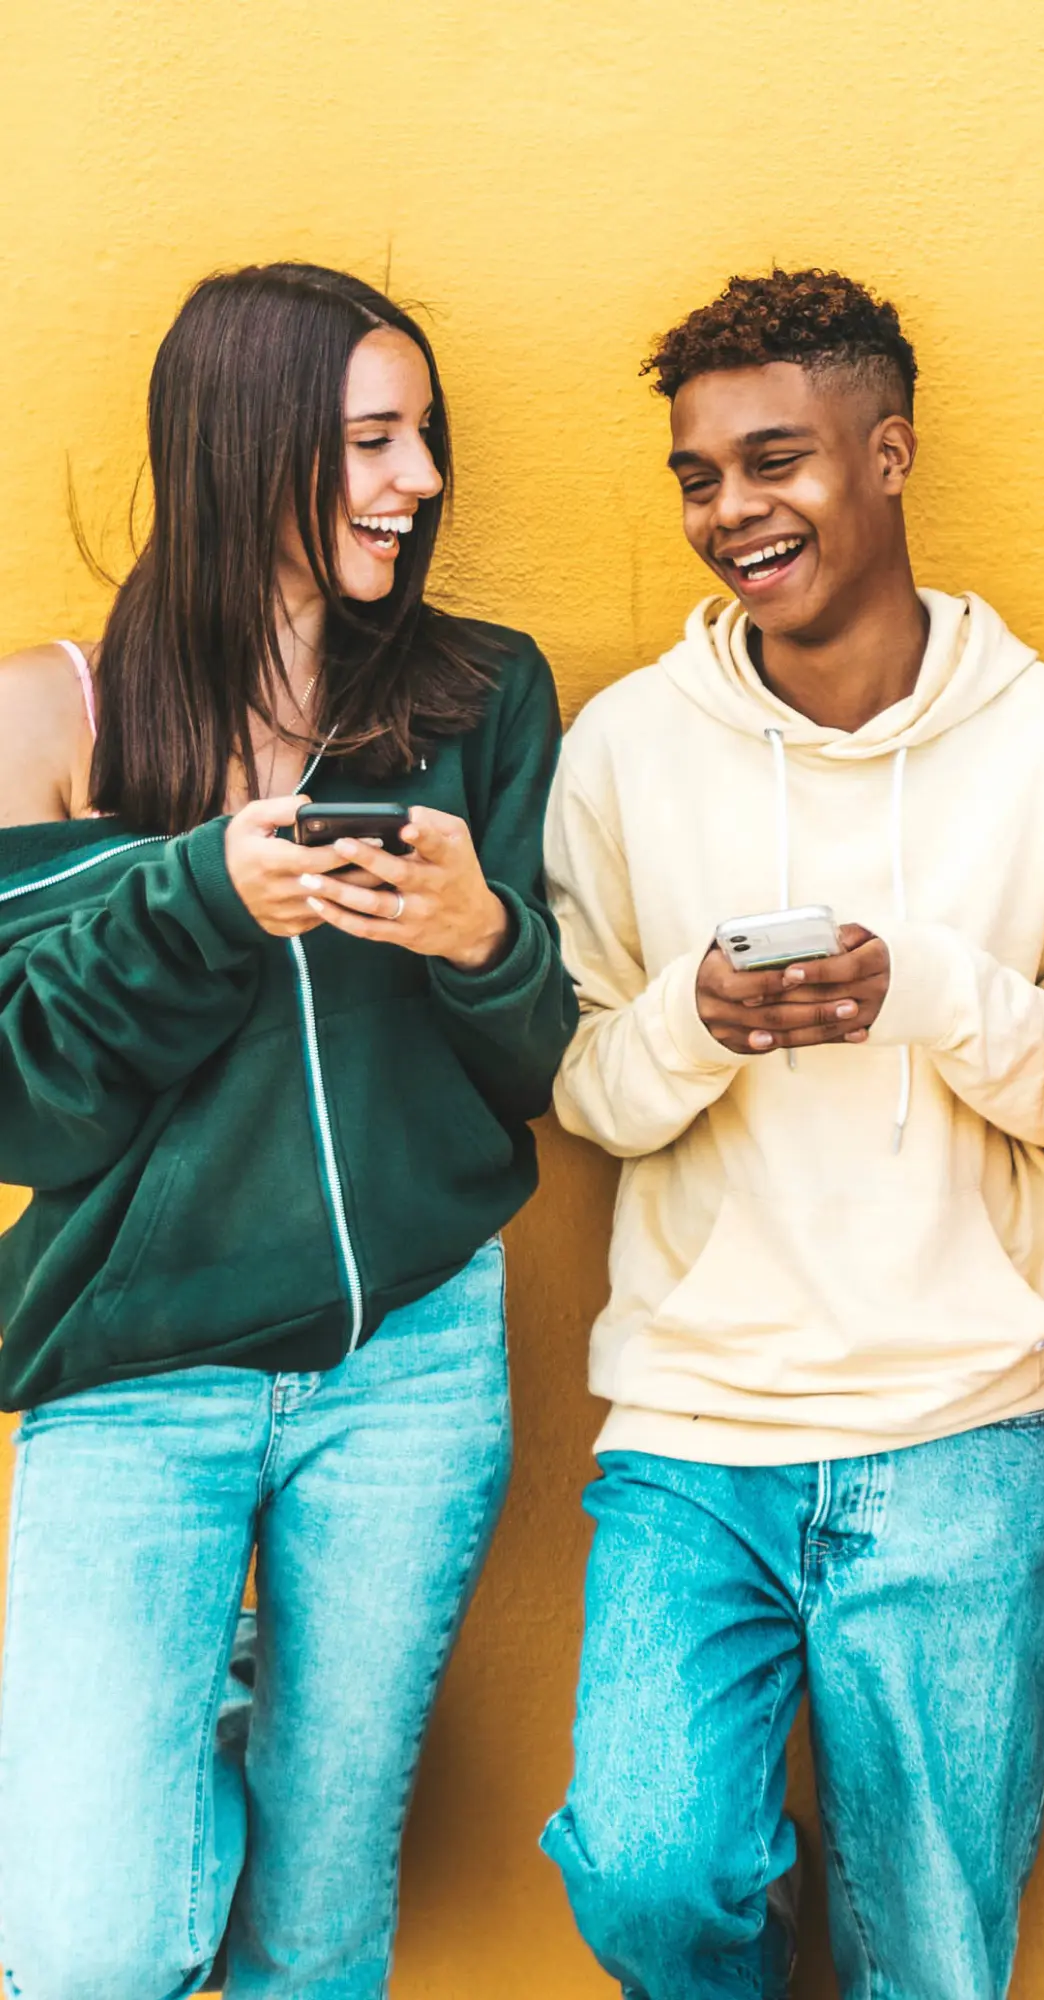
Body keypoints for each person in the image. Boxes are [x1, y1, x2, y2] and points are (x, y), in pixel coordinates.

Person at [539, 267, 1044, 1997]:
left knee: (934, 1957)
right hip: (694, 1430)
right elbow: (583, 1088)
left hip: (968, 1423)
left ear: (886, 457)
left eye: (775, 461)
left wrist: (928, 988)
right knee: (651, 1877)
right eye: (699, 475)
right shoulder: (627, 750)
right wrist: (695, 1023)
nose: (733, 510)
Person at [0, 263, 575, 1999]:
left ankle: (233, 1706)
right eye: (371, 443)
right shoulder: (58, 711)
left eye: (424, 440)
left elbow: (535, 1064)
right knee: (85, 1947)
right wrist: (200, 895)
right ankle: (204, 1703)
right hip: (136, 1381)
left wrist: (481, 940)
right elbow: (30, 1090)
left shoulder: (482, 698)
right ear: (243, 449)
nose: (418, 483)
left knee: (321, 1933)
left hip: (411, 1366)